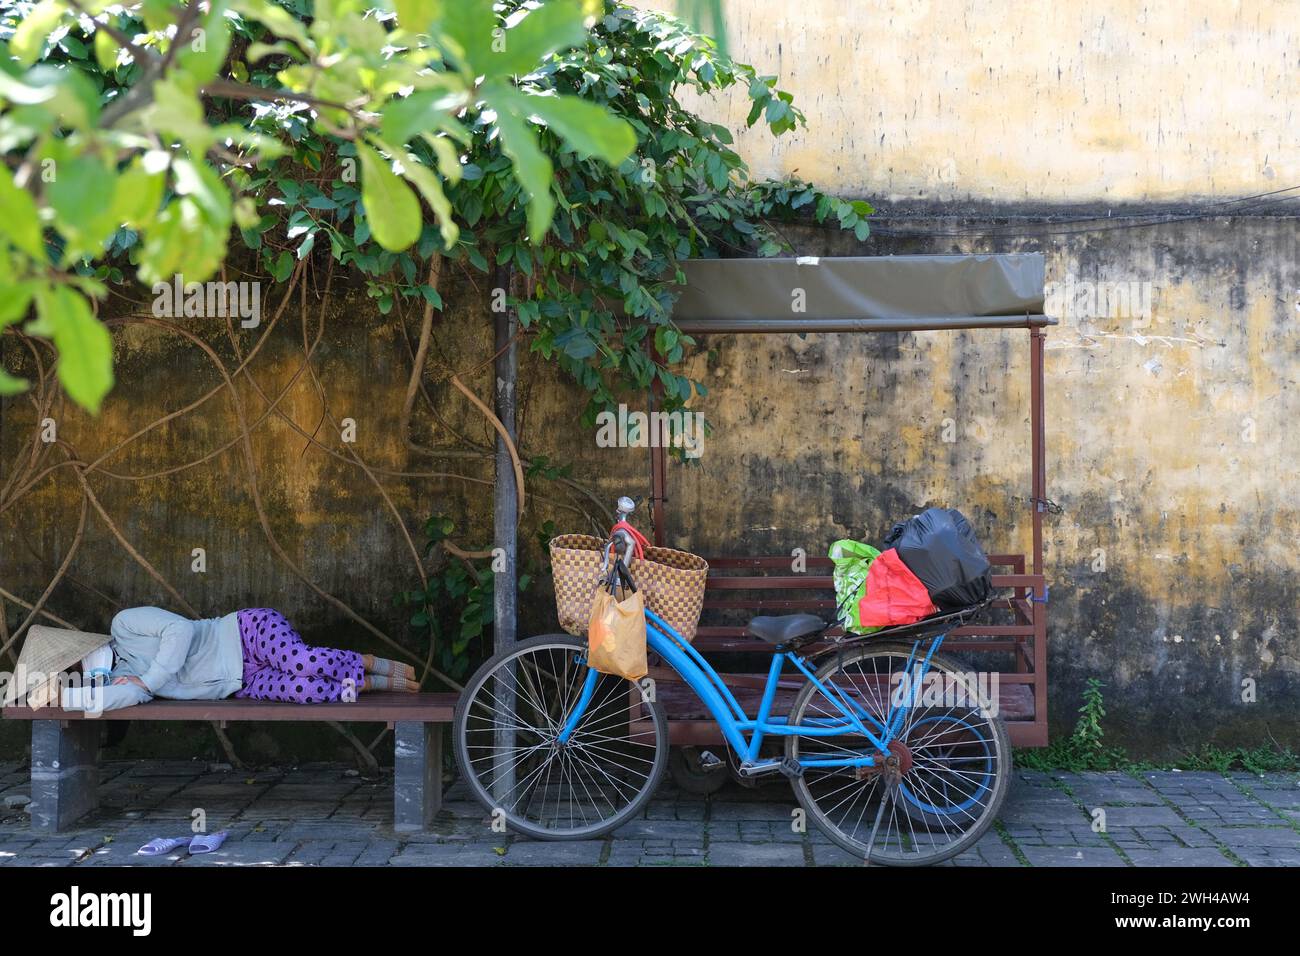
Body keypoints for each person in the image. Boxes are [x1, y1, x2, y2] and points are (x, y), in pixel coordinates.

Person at [94, 606, 416, 712]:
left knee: (302, 663)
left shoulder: (124, 625)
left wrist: (151, 679)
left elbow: (178, 628)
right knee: (305, 692)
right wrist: (61, 695)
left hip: (245, 634)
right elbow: (116, 698)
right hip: (241, 682)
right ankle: (366, 685)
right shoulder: (122, 679)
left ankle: (368, 662)